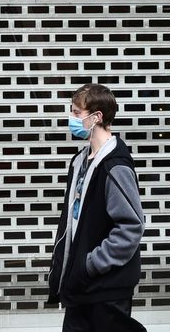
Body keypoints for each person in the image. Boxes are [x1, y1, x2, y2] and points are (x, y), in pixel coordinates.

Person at [47, 84, 146, 332]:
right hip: (81, 287)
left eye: (77, 113)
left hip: (106, 288)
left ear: (97, 116)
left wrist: (91, 263)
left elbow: (131, 228)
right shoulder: (79, 162)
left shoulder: (116, 166)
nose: (71, 119)